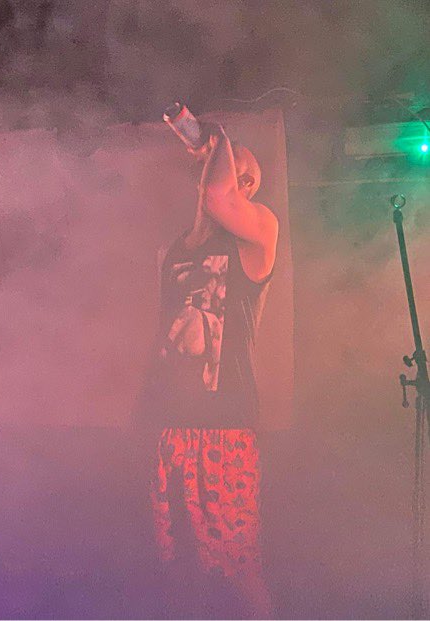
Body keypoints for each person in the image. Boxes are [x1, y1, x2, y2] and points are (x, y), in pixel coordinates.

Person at [149, 123, 278, 618]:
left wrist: (218, 137)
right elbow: (163, 340)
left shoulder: (260, 230)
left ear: (245, 184)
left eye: (227, 161)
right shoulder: (176, 249)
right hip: (173, 426)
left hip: (226, 430)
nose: (214, 165)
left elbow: (219, 197)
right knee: (176, 567)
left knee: (239, 568)